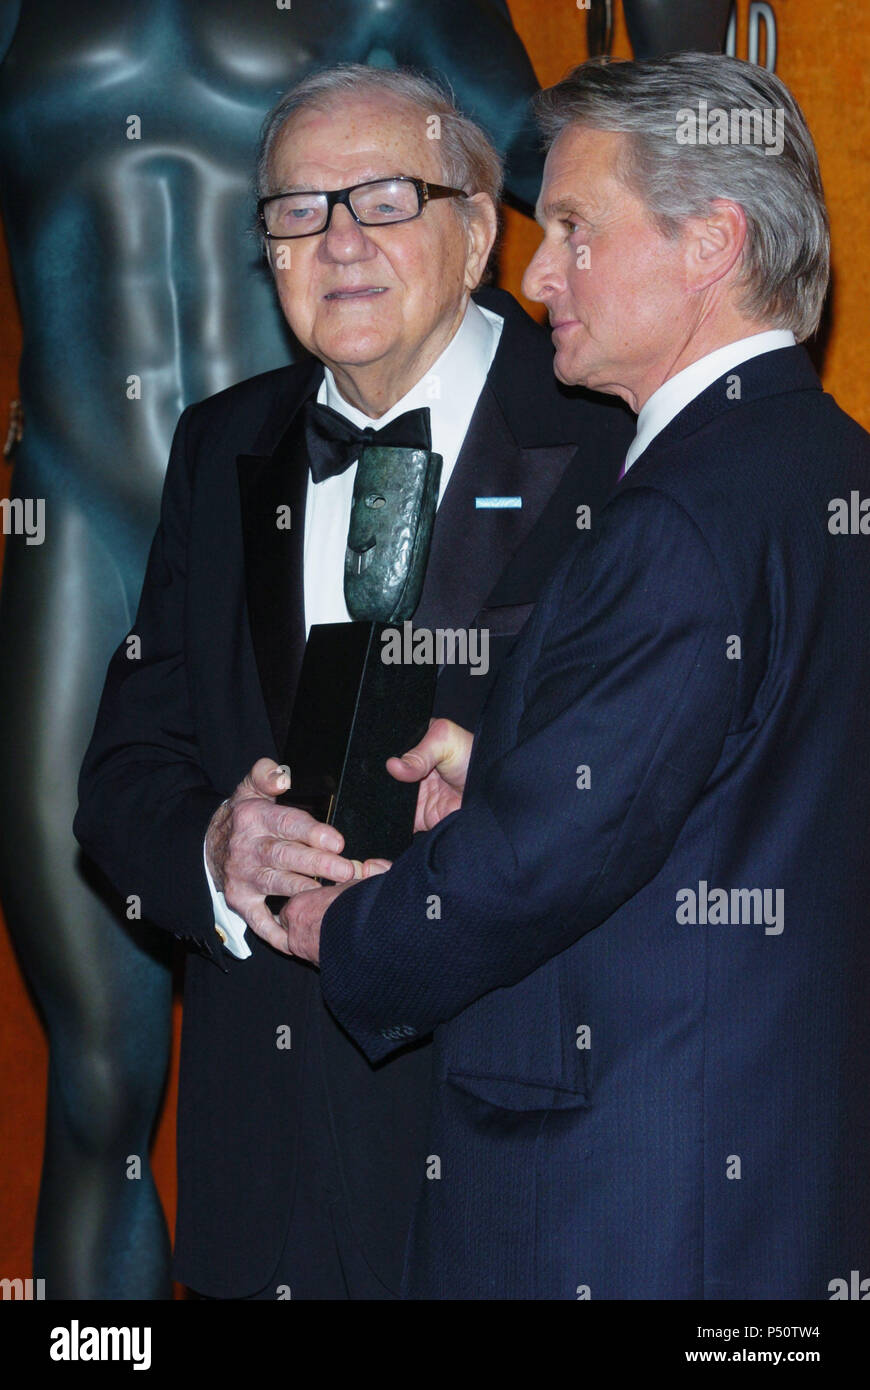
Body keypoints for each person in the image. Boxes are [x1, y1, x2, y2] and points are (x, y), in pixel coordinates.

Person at [283, 54, 870, 1299]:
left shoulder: (679, 515)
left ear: (710, 241)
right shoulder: (824, 469)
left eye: (572, 228)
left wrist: (349, 928)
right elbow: (732, 781)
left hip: (627, 1206)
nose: (538, 272)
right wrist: (504, 759)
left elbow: (542, 859)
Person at [73, 63, 633, 1300]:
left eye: (385, 198)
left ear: (480, 228)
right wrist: (217, 853)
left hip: (524, 1160)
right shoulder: (220, 444)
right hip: (265, 1180)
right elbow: (122, 776)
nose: (338, 243)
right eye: (297, 209)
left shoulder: (613, 428)